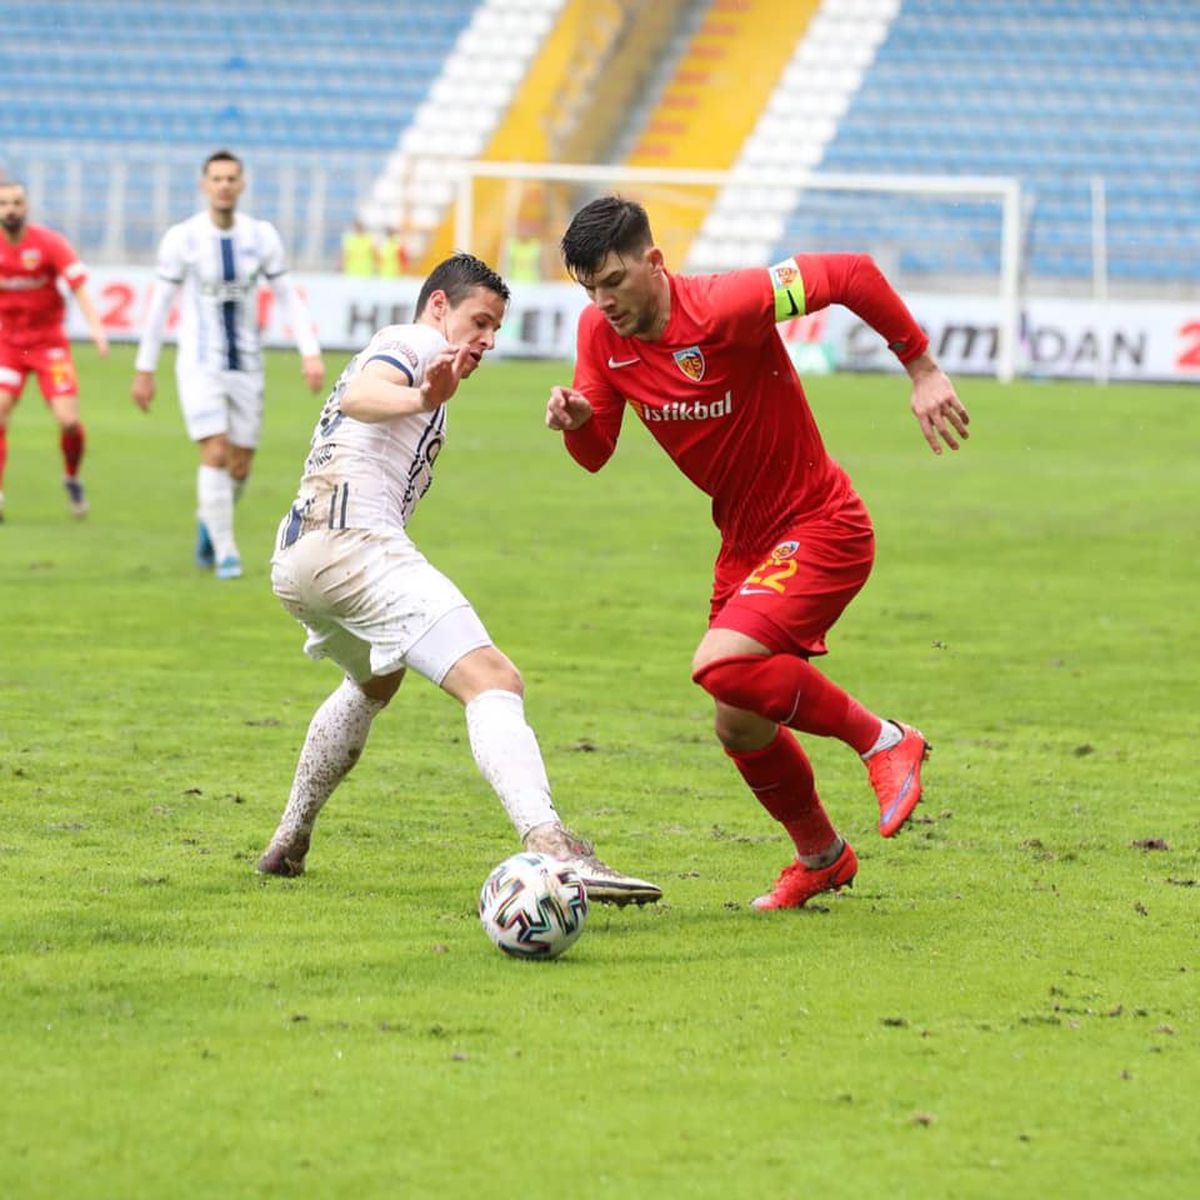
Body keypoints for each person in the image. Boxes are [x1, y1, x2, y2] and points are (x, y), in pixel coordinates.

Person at [546, 196, 970, 911]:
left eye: (614, 280)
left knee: (721, 664)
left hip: (821, 521)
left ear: (654, 262)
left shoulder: (725, 304)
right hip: (744, 544)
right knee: (737, 717)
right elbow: (596, 455)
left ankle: (886, 741)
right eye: (590, 287)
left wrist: (921, 367)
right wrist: (578, 422)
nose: (603, 300)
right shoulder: (599, 334)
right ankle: (822, 857)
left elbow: (852, 273)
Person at [258, 251, 661, 907]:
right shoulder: (412, 342)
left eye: (497, 330)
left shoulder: (426, 377)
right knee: (495, 680)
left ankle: (289, 839)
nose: (488, 342)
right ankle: (554, 847)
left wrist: (424, 401)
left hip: (300, 559)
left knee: (374, 678)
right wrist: (419, 394)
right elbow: (363, 393)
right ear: (440, 306)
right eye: (480, 322)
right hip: (352, 545)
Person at [131, 150, 326, 579]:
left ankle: (210, 522)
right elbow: (160, 304)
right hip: (199, 364)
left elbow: (288, 296)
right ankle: (226, 552)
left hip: (247, 364)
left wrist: (308, 352)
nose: (223, 185)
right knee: (215, 451)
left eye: (231, 178)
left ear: (241, 185)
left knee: (240, 464)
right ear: (204, 184)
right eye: (216, 178)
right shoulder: (183, 238)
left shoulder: (261, 237)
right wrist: (145, 369)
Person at [0, 180, 109, 521]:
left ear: (27, 206)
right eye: (4, 203)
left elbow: (78, 286)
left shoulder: (49, 243)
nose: (11, 209)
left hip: (49, 346)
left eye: (17, 202)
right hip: (8, 346)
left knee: (68, 420)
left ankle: (72, 477)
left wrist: (95, 326)